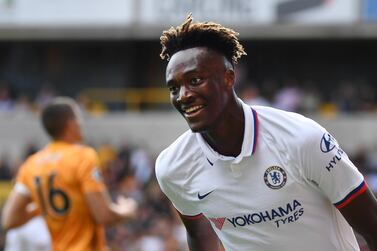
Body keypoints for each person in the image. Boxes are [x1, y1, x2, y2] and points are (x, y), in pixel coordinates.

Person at [155, 14, 377, 251]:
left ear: (229, 77)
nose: (184, 95)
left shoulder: (302, 139)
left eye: (195, 80)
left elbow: (373, 226)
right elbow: (199, 236)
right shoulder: (172, 167)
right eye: (174, 88)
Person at [2, 97, 137, 251]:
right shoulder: (82, 156)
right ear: (71, 123)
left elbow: (10, 219)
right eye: (79, 117)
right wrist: (127, 210)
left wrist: (41, 206)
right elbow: (103, 215)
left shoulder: (31, 165)